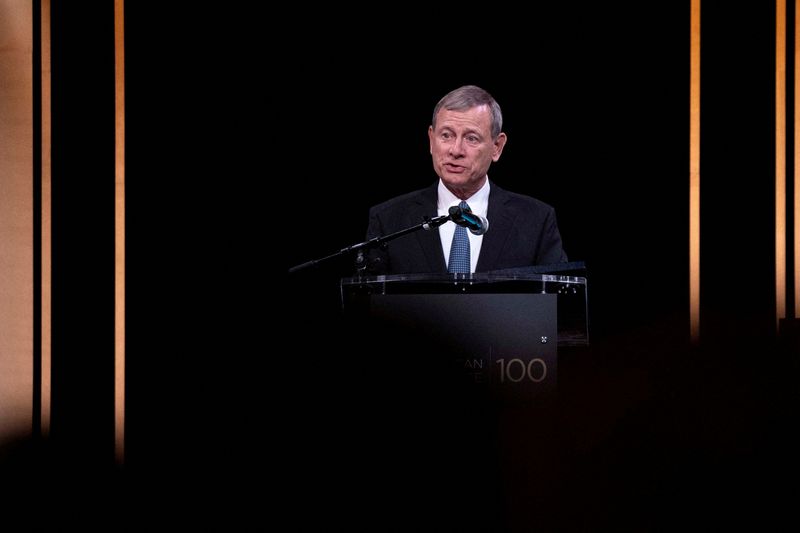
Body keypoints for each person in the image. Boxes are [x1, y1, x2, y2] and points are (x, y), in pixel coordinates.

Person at [365, 84, 568, 275]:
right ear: (431, 140)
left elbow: (558, 298)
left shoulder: (536, 221)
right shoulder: (389, 221)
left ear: (497, 147)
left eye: (471, 138)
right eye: (446, 135)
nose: (456, 150)